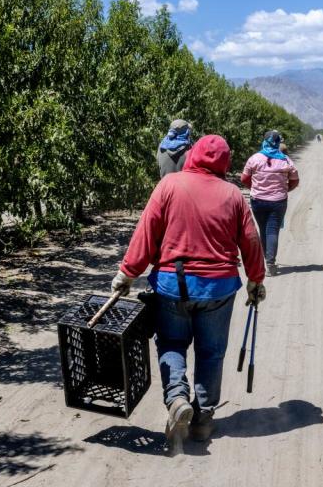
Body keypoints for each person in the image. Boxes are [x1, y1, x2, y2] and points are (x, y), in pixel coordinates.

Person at [111, 135, 266, 444]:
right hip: (218, 289)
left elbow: (147, 231)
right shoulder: (233, 195)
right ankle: (203, 419)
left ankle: (178, 399)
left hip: (172, 285)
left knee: (171, 343)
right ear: (225, 162)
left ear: (192, 155)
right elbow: (250, 240)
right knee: (211, 352)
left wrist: (126, 273)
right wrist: (255, 279)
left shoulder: (168, 185)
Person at [241, 130, 299, 276]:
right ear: (278, 142)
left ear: (265, 141)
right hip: (278, 201)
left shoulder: (254, 158)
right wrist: (285, 189)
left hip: (258, 201)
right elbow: (295, 180)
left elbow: (244, 178)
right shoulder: (285, 160)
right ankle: (270, 263)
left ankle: (267, 259)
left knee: (263, 229)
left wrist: (254, 188)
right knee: (272, 230)